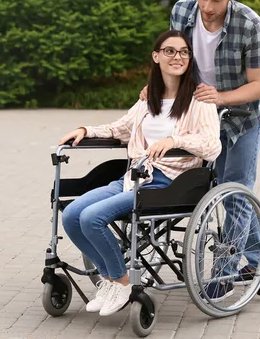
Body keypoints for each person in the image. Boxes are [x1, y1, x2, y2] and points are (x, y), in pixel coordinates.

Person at [57, 30, 222, 316]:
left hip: (169, 184)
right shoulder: (148, 101)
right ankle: (110, 280)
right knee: (72, 215)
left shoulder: (200, 101)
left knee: (92, 217)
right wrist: (86, 131)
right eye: (169, 51)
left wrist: (175, 141)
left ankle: (121, 281)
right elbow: (118, 128)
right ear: (156, 57)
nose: (177, 57)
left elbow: (212, 145)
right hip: (133, 178)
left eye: (183, 52)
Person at [146, 0, 260, 301]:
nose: (207, 7)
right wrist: (157, 88)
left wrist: (221, 97)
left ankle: (225, 271)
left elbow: (259, 85)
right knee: (214, 185)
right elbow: (175, 60)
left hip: (245, 115)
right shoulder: (182, 11)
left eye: (216, 0)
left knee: (236, 187)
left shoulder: (250, 24)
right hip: (204, 114)